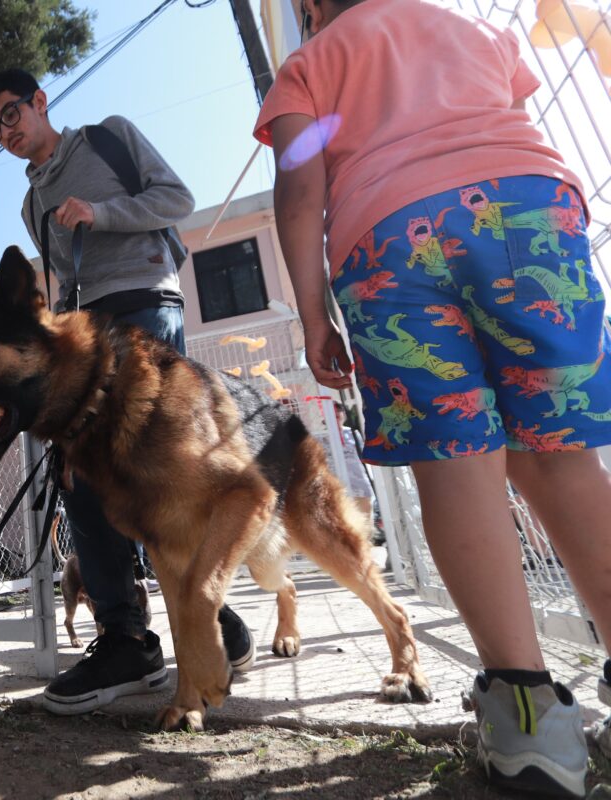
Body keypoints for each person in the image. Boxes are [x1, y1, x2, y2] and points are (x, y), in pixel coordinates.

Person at [255, 0, 611, 794]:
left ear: (310, 7)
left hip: (390, 236)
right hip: (529, 208)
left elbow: (299, 189)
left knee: (457, 464)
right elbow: (512, 111)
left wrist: (315, 317)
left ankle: (530, 728)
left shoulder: (308, 64)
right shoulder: (472, 28)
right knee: (560, 456)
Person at [0, 68, 255, 717]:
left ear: (40, 103)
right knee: (76, 470)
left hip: (147, 302)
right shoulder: (30, 205)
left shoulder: (108, 141)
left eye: (11, 115)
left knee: (154, 468)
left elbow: (176, 199)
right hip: (87, 329)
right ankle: (127, 637)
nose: (7, 133)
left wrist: (100, 213)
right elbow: (66, 283)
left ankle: (210, 620)